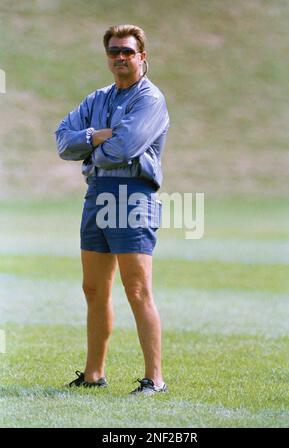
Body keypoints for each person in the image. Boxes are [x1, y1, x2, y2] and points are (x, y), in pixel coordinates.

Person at [55, 24, 169, 396]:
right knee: (93, 288)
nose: (121, 57)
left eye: (128, 51)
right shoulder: (96, 99)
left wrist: (89, 150)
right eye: (114, 51)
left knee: (137, 289)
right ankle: (93, 375)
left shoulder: (150, 99)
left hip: (133, 196)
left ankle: (155, 379)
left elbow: (125, 149)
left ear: (142, 57)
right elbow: (62, 141)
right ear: (108, 56)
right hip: (98, 194)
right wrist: (96, 135)